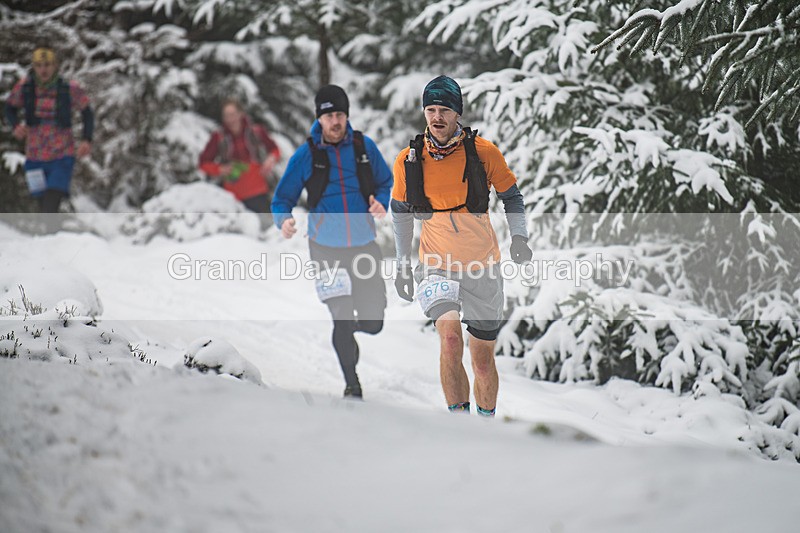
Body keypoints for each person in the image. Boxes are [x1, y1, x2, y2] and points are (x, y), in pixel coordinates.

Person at [391, 75, 532, 417]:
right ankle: (459, 425)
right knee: (450, 339)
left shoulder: (483, 152)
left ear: (457, 114)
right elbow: (400, 215)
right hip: (436, 264)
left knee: (482, 359)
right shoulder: (409, 160)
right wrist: (402, 266)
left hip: (483, 265)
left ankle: (484, 425)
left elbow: (512, 198)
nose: (436, 117)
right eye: (430, 109)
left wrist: (520, 238)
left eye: (444, 110)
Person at [272, 84, 393, 399]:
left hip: (364, 245)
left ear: (347, 115)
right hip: (325, 248)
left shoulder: (363, 147)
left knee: (374, 322)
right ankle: (352, 384)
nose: (335, 121)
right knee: (341, 315)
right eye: (329, 116)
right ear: (320, 119)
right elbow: (282, 197)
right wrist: (283, 220)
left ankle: (350, 329)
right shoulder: (307, 154)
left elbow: (385, 181)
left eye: (340, 114)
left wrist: (381, 201)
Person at [4, 46, 94, 213]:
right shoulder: (25, 87)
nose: (43, 70)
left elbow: (87, 112)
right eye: (39, 65)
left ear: (55, 66)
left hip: (61, 153)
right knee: (41, 200)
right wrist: (16, 125)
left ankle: (51, 234)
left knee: (53, 197)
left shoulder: (69, 88)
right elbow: (9, 107)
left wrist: (86, 139)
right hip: (34, 154)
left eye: (47, 65)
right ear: (34, 67)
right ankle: (50, 236)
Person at [199, 98, 281, 220]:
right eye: (226, 116)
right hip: (232, 197)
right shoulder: (218, 137)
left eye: (233, 114)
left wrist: (270, 160)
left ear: (241, 113)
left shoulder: (256, 131)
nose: (230, 119)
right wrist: (220, 169)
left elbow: (275, 150)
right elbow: (203, 163)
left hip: (259, 191)